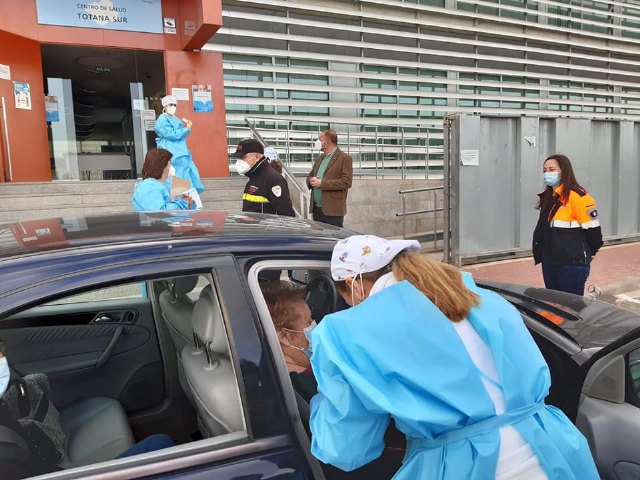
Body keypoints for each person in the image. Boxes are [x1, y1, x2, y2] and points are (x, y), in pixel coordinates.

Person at [308, 235, 599, 479]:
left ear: (354, 284)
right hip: (552, 451)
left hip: (461, 467)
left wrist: (318, 397)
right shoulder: (484, 299)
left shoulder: (348, 333)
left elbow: (344, 448)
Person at [533, 154, 603, 295]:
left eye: (552, 169)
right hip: (550, 262)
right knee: (553, 303)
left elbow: (593, 231)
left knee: (571, 305)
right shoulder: (548, 197)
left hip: (571, 264)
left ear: (564, 171)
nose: (547, 173)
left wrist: (591, 253)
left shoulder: (579, 197)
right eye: (544, 170)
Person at [232, 139, 295, 217]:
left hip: (266, 225)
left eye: (243, 157)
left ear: (257, 157)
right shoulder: (254, 175)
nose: (239, 161)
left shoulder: (273, 179)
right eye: (238, 158)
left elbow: (286, 215)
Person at [155, 95, 204, 194]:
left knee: (185, 173)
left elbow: (179, 135)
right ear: (165, 106)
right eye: (170, 104)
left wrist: (185, 129)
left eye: (174, 105)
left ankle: (185, 196)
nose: (173, 107)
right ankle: (178, 196)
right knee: (174, 174)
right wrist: (186, 129)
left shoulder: (176, 119)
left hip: (181, 151)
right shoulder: (162, 119)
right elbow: (171, 134)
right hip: (170, 150)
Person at [306, 130, 353, 227]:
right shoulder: (320, 158)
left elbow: (346, 182)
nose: (317, 142)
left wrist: (322, 184)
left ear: (327, 143)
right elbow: (310, 175)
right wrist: (310, 181)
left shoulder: (344, 158)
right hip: (316, 209)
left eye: (320, 140)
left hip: (333, 211)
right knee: (319, 236)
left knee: (334, 235)